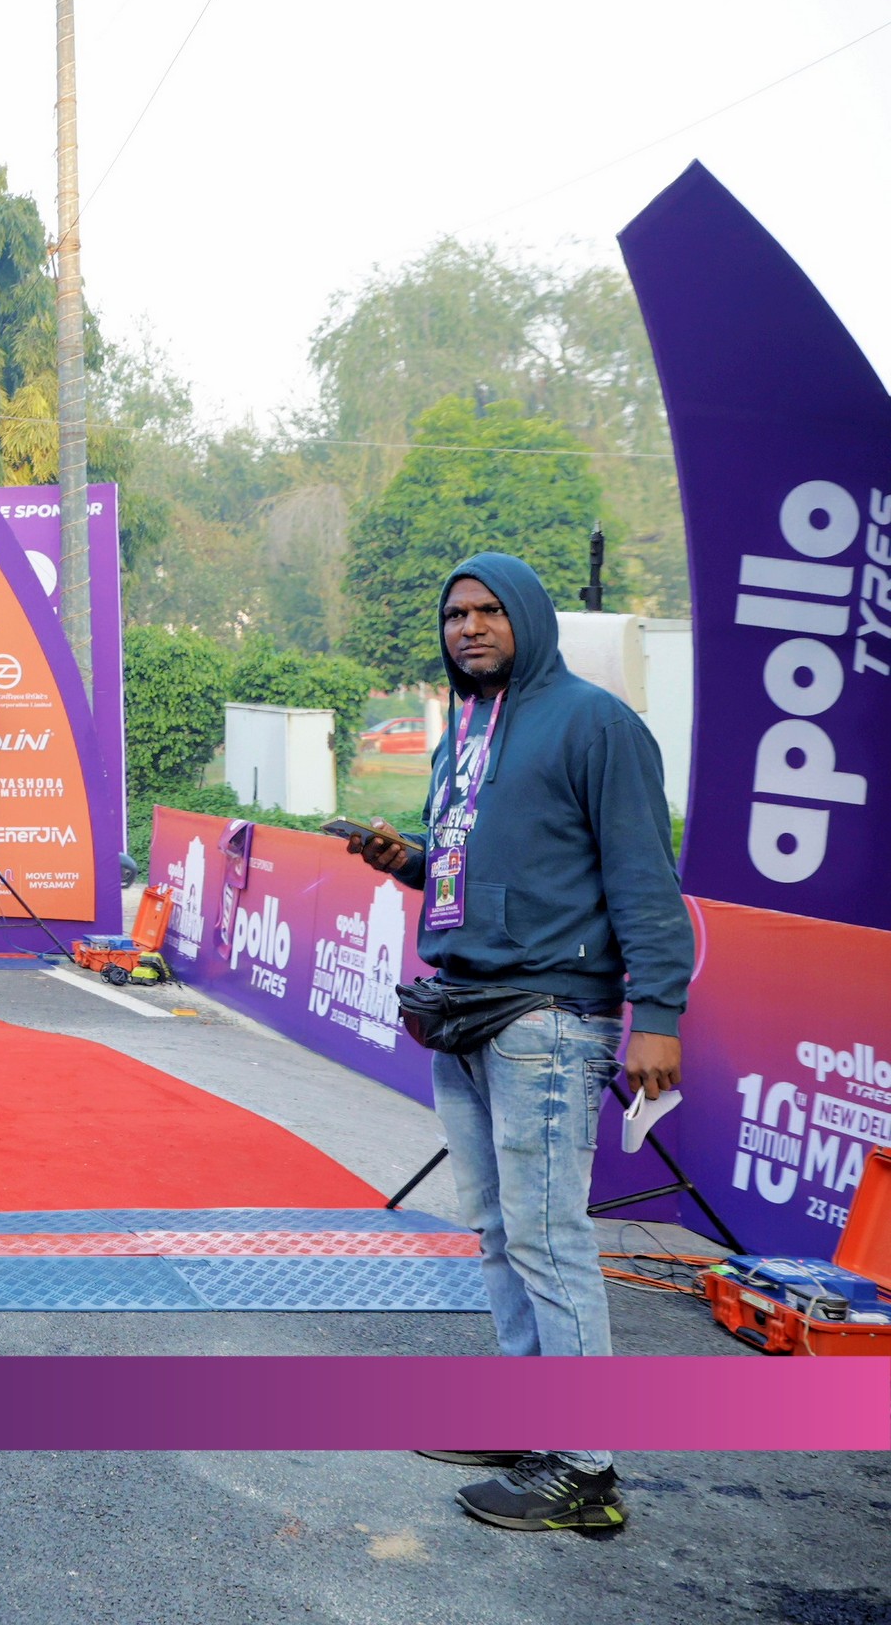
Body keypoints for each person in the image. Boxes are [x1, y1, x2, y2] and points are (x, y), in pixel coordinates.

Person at [343, 551, 688, 1537]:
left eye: (491, 610)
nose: (471, 627)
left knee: (546, 1233)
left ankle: (583, 1466)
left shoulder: (595, 723)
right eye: (457, 613)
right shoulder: (464, 732)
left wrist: (658, 1014)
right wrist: (407, 860)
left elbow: (643, 876)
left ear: (529, 618)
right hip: (463, 1006)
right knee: (498, 1229)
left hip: (549, 1014)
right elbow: (483, 867)